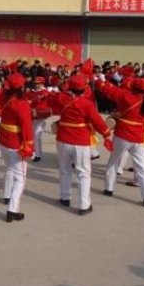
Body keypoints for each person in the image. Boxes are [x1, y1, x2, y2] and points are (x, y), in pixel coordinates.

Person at [50, 74, 112, 215]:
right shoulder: (86, 104)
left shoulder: (62, 98)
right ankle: (84, 205)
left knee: (65, 170)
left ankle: (65, 197)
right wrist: (106, 134)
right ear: (84, 88)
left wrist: (62, 89)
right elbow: (98, 122)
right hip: (80, 141)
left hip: (63, 139)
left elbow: (54, 98)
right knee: (83, 173)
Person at [96, 77, 144, 207]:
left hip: (123, 134)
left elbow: (108, 90)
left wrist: (99, 79)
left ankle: (109, 189)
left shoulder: (126, 95)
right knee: (141, 168)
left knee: (113, 162)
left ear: (134, 88)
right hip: (138, 137)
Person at [0, 73, 34, 222]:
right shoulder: (21, 103)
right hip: (16, 144)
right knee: (20, 178)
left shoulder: (5, 99)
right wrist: (29, 146)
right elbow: (26, 126)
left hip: (4, 142)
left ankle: (8, 196)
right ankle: (12, 210)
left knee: (10, 170)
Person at [29, 77, 52, 162]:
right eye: (35, 83)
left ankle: (37, 155)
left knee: (36, 135)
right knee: (33, 135)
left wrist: (34, 99)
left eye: (38, 83)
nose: (36, 85)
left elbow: (42, 97)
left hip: (41, 116)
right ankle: (35, 152)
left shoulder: (44, 92)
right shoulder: (33, 91)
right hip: (33, 115)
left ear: (42, 84)